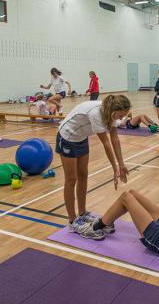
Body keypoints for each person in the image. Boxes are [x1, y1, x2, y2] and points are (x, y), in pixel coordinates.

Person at [56, 95, 131, 239]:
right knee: (71, 180)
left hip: (81, 138)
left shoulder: (112, 114)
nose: (121, 118)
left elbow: (114, 138)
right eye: (121, 115)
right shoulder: (96, 113)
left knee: (83, 175)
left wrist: (121, 164)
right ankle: (73, 221)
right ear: (115, 110)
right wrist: (114, 168)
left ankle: (82, 213)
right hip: (67, 137)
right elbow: (106, 143)